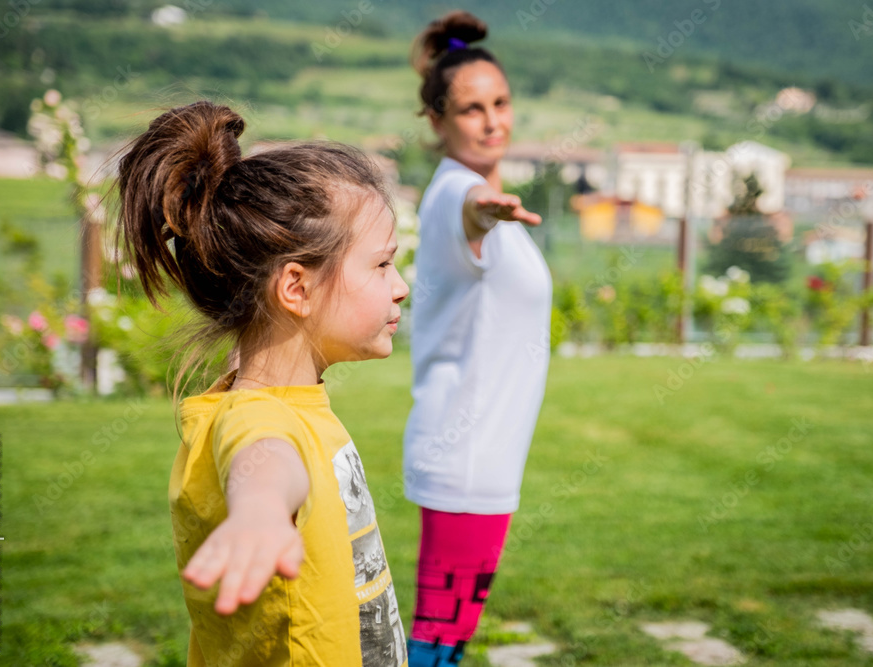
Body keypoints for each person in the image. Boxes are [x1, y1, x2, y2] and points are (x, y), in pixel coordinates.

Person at [115, 100, 410, 666]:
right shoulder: (258, 415)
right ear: (295, 288)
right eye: (381, 265)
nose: (399, 287)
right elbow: (264, 460)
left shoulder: (289, 400)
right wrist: (261, 513)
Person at [402, 12, 553, 666]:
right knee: (438, 643)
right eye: (471, 109)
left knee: (447, 640)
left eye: (500, 102)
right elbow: (464, 214)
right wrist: (482, 214)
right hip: (465, 456)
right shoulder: (455, 196)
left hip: (484, 456)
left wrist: (491, 211)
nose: (492, 120)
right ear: (437, 121)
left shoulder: (484, 195)